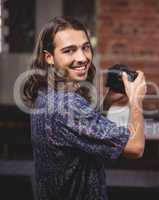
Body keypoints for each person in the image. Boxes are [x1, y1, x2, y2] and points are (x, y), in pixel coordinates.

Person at [22, 16, 146, 200]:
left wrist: (107, 102)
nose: (82, 58)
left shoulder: (46, 92)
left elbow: (78, 131)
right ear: (49, 57)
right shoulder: (66, 105)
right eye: (69, 51)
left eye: (85, 47)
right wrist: (136, 100)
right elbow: (135, 148)